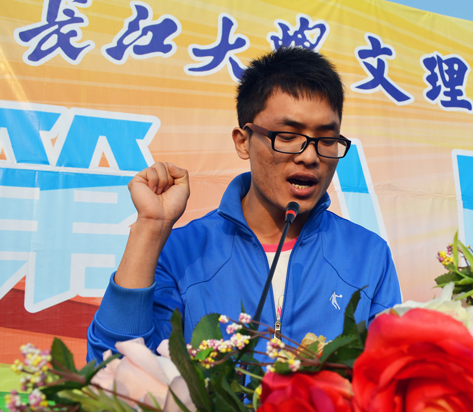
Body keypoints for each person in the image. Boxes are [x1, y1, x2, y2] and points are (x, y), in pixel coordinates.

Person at [87, 47, 402, 363]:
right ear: (243, 141)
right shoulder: (181, 253)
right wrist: (150, 227)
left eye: (327, 139)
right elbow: (112, 369)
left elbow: (389, 375)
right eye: (288, 136)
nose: (309, 156)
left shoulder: (368, 256)